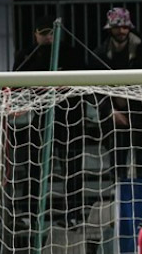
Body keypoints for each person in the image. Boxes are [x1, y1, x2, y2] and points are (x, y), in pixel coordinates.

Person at [11, 16, 88, 227]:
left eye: (51, 34)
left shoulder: (71, 53)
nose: (47, 38)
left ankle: (74, 213)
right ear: (36, 34)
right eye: (43, 34)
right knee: (34, 165)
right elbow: (15, 83)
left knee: (72, 165)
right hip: (40, 117)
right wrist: (21, 103)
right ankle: (32, 212)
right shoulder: (27, 55)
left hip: (70, 118)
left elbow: (85, 84)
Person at [90, 7, 142, 181]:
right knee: (117, 168)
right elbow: (94, 90)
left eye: (124, 27)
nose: (121, 31)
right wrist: (110, 110)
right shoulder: (100, 54)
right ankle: (120, 205)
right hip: (114, 121)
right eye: (117, 27)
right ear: (110, 29)